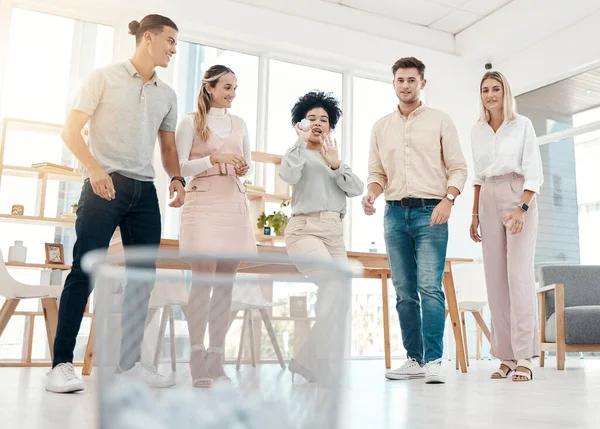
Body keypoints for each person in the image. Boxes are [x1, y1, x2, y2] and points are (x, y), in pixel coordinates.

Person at [46, 15, 185, 393]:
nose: (174, 49)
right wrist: (94, 170)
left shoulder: (166, 94)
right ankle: (60, 366)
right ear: (148, 38)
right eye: (170, 41)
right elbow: (70, 132)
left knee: (142, 278)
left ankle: (130, 365)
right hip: (103, 185)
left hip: (144, 191)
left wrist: (176, 177)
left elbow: (168, 147)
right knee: (85, 270)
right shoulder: (103, 78)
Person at [363, 57, 467, 384]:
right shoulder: (381, 127)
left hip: (431, 212)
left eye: (411, 79)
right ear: (393, 84)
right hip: (394, 213)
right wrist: (371, 194)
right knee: (404, 290)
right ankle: (414, 359)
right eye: (400, 80)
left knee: (429, 288)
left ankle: (434, 359)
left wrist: (449, 199)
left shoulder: (440, 121)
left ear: (423, 83)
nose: (406, 85)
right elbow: (377, 173)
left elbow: (458, 168)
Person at [176, 65, 256, 388]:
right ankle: (196, 355)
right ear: (209, 88)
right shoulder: (189, 122)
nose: (232, 94)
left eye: (235, 88)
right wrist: (212, 161)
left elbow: (245, 165)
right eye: (226, 87)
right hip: (203, 201)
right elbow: (179, 166)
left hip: (233, 201)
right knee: (202, 281)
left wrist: (243, 166)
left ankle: (217, 356)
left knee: (226, 284)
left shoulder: (240, 123)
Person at [279, 90, 364, 384]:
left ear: (330, 126)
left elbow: (356, 189)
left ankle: (307, 361)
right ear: (301, 123)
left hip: (334, 235)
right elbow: (288, 176)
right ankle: (316, 362)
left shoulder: (334, 158)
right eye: (311, 118)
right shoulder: (297, 152)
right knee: (332, 282)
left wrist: (336, 164)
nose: (318, 123)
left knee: (339, 294)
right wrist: (300, 145)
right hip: (305, 230)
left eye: (324, 119)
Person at [469, 71, 543, 382]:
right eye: (485, 89)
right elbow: (477, 176)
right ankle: (506, 356)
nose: (490, 94)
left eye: (496, 88)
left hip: (518, 194)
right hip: (488, 195)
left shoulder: (522, 124)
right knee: (495, 279)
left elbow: (534, 171)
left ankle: (525, 355)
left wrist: (523, 207)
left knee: (518, 276)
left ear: (505, 92)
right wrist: (474, 215)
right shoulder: (477, 130)